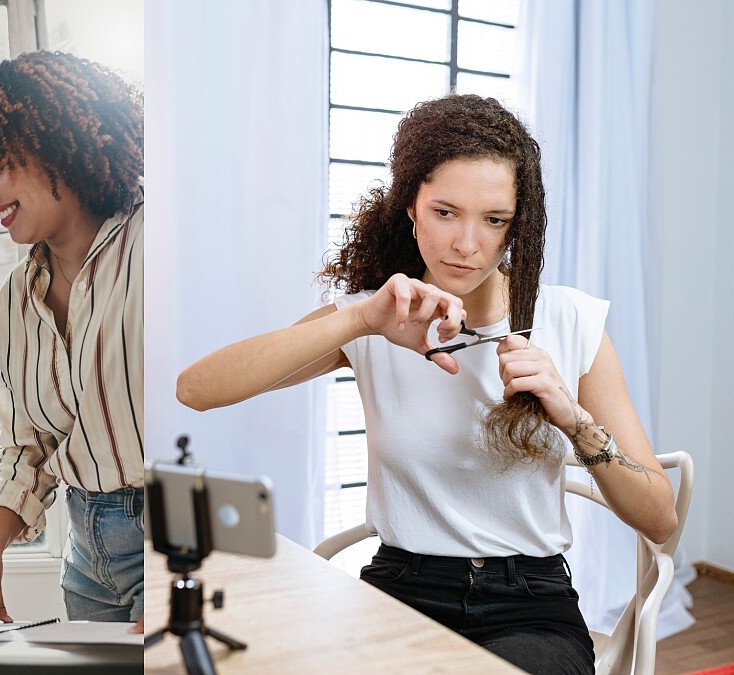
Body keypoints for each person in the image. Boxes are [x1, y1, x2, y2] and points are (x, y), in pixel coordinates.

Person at [175, 94, 678, 674]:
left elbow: (660, 518)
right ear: (410, 207)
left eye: (494, 220)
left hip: (530, 606)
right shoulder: (375, 317)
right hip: (401, 590)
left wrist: (572, 417)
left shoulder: (571, 320)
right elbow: (197, 389)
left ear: (519, 225)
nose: (467, 244)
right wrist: (359, 320)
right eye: (445, 212)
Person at [0, 51, 145, 627]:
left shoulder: (157, 242)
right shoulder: (13, 300)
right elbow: (27, 446)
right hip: (87, 557)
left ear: (58, 144)